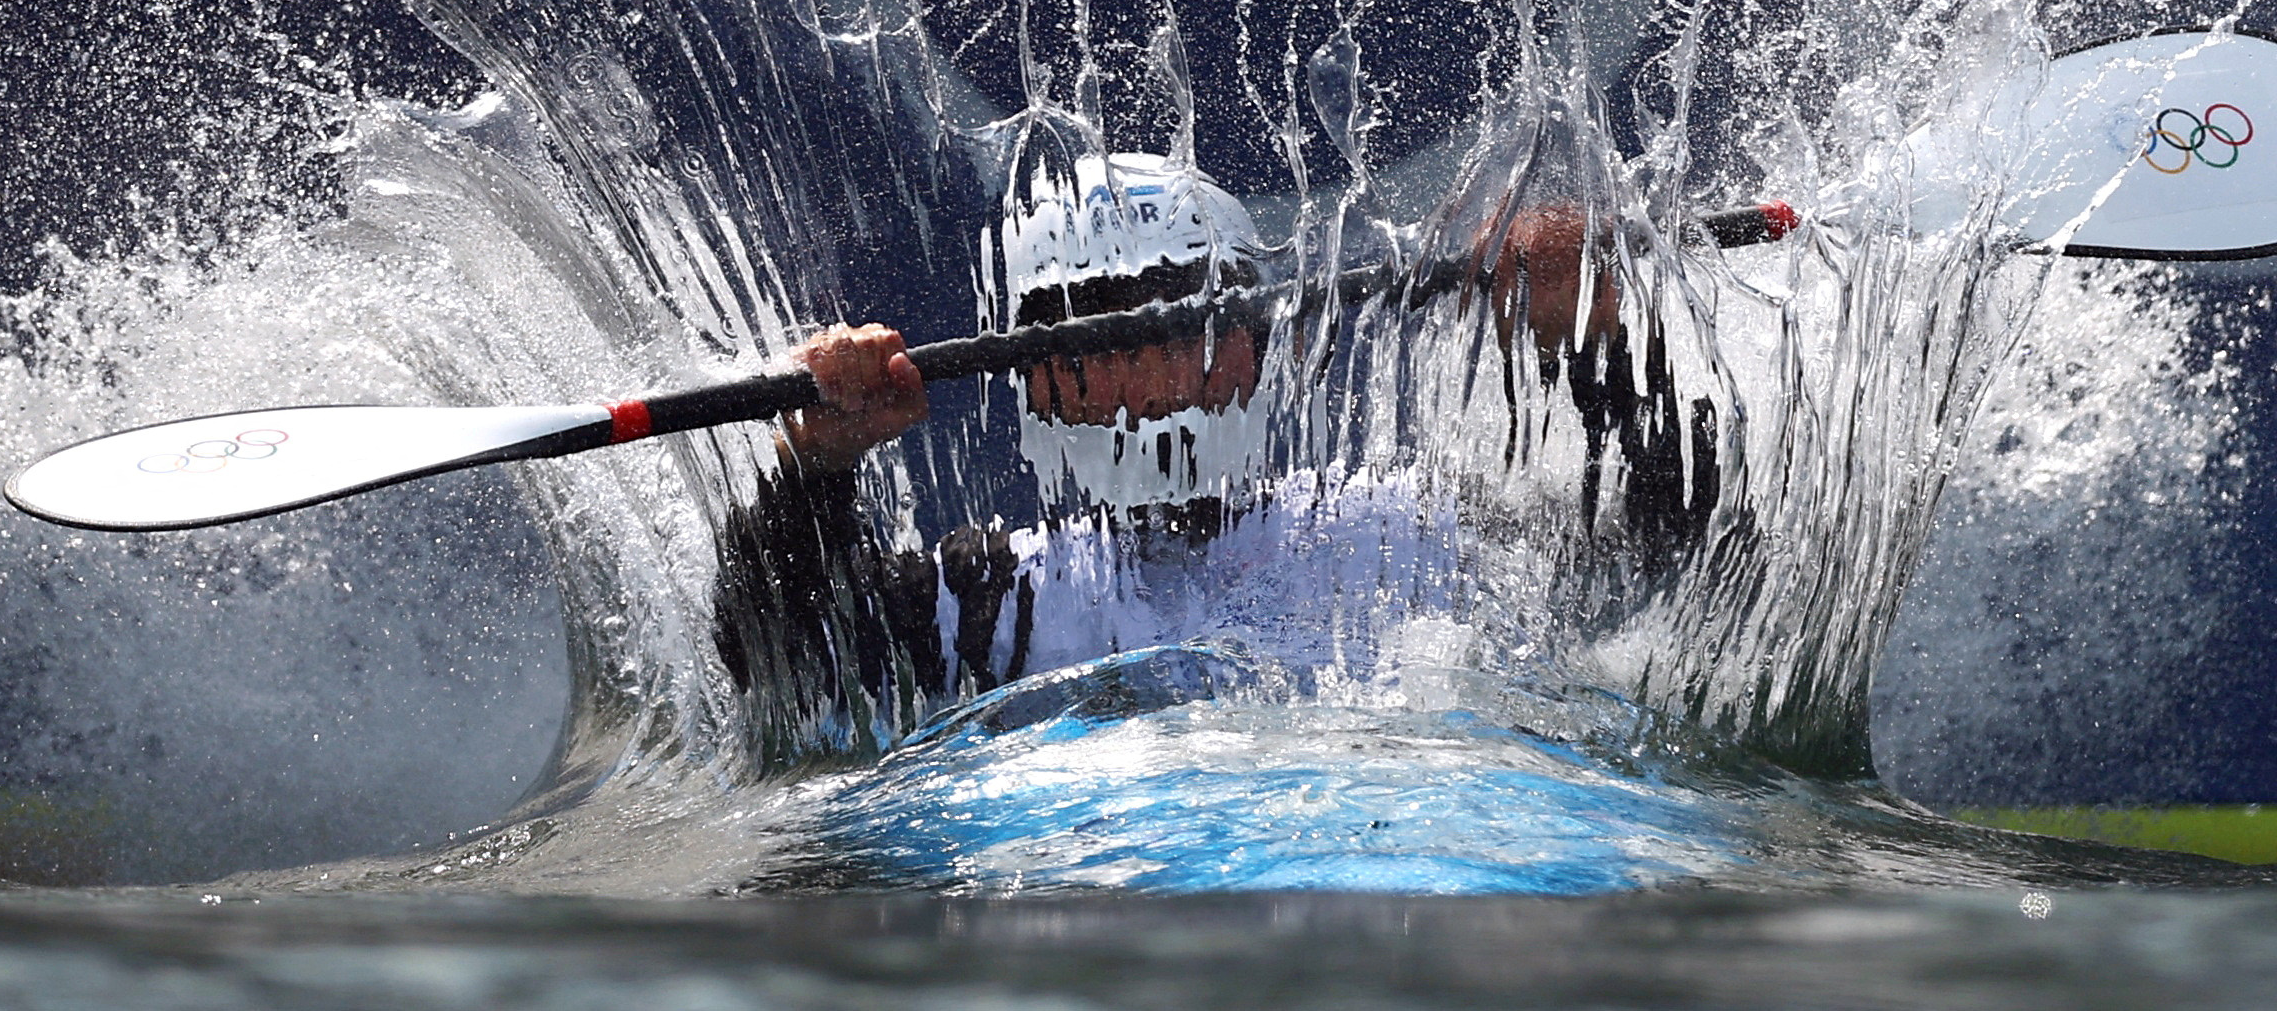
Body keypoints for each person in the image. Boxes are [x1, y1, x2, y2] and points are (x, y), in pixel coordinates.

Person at [710, 155, 1718, 735]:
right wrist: (817, 468)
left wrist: (1595, 342)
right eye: (1100, 326)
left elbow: (1674, 552)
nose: (1155, 370)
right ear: (1039, 376)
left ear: (1254, 342)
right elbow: (772, 663)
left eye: (1187, 317)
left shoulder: (1409, 526)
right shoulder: (984, 599)